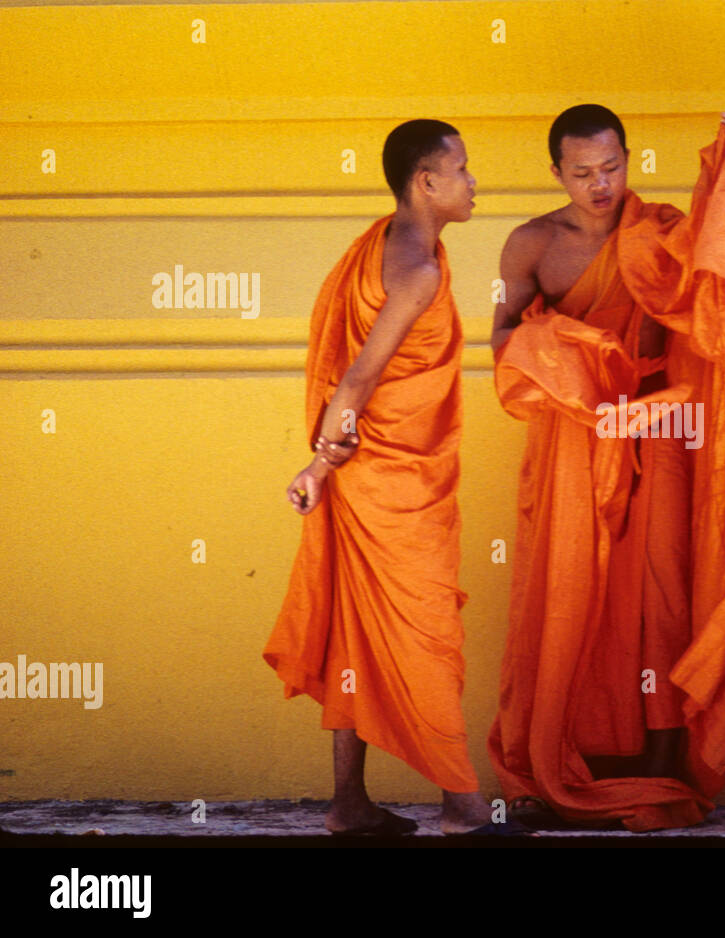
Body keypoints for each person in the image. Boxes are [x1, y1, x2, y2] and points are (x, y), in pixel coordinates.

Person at [488, 105, 725, 831]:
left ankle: (661, 768)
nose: (600, 186)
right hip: (572, 438)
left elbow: (723, 267)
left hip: (658, 426)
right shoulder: (531, 243)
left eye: (612, 168)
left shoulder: (657, 232)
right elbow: (503, 334)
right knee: (565, 591)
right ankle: (555, 759)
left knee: (660, 596)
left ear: (628, 159)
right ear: (556, 173)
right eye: (582, 173)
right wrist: (569, 352)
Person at [265, 119, 520, 836]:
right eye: (463, 169)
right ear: (426, 182)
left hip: (375, 475)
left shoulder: (385, 241)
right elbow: (357, 380)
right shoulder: (419, 269)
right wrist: (319, 463)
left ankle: (349, 804)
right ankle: (463, 806)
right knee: (428, 631)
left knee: (356, 630)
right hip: (389, 484)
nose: (474, 182)